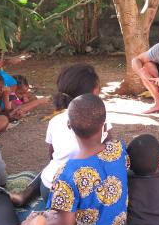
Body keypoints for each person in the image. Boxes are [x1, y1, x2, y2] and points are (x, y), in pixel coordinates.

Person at [37, 93, 128, 225]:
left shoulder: (67, 173)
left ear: (69, 125)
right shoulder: (119, 150)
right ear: (104, 124)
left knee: (36, 221)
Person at [39, 64, 111, 201]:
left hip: (48, 188)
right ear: (91, 96)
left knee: (52, 166)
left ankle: (25, 195)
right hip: (76, 192)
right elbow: (109, 150)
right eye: (98, 92)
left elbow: (52, 154)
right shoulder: (100, 117)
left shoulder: (55, 121)